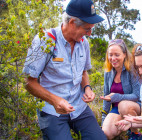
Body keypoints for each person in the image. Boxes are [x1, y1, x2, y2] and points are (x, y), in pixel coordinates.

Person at [22, 0, 107, 139]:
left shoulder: (83, 43)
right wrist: (55, 100)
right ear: (72, 22)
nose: (90, 33)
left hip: (78, 106)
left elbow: (83, 71)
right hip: (51, 110)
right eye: (87, 29)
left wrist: (87, 87)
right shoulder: (45, 40)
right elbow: (28, 81)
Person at [100, 39, 141, 140]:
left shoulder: (132, 70)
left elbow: (137, 95)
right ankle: (124, 127)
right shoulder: (108, 73)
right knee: (107, 133)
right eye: (110, 55)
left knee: (124, 105)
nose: (113, 58)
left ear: (124, 55)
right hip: (117, 109)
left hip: (134, 107)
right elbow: (106, 97)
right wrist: (103, 119)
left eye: (117, 55)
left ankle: (134, 134)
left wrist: (116, 97)